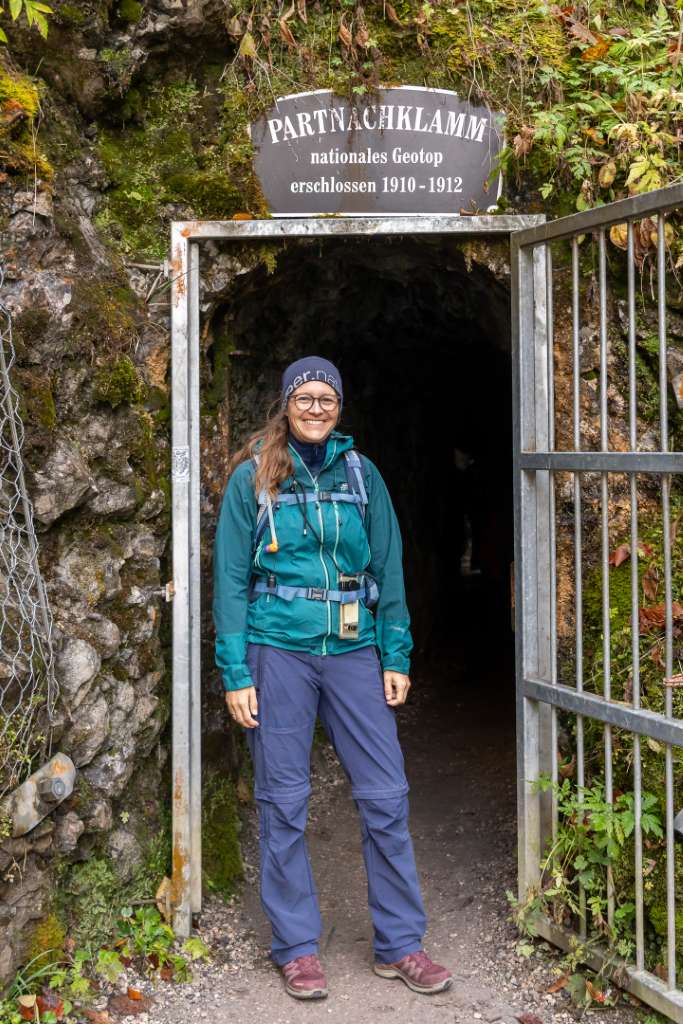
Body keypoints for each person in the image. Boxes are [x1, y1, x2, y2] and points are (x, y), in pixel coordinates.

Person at [212, 356, 452, 1001]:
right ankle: (295, 947)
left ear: (340, 406)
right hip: (277, 650)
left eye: (327, 398)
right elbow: (231, 580)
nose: (316, 408)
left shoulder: (362, 474)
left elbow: (390, 566)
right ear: (285, 405)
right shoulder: (252, 477)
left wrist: (395, 655)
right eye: (304, 397)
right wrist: (236, 671)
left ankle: (400, 942)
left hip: (352, 649)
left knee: (385, 794)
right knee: (282, 800)